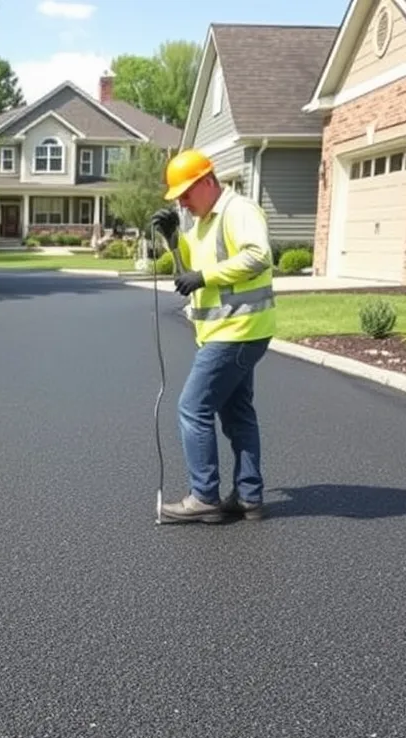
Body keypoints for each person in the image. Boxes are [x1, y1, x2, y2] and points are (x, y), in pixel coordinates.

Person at [150, 149, 276, 524]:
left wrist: (205, 277)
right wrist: (174, 240)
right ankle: (249, 496)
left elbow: (259, 256)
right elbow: (185, 273)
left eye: (186, 194)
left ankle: (204, 496)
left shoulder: (239, 211)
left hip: (237, 330)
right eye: (178, 199)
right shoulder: (201, 223)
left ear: (207, 181)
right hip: (227, 330)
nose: (183, 204)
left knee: (193, 408)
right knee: (237, 413)